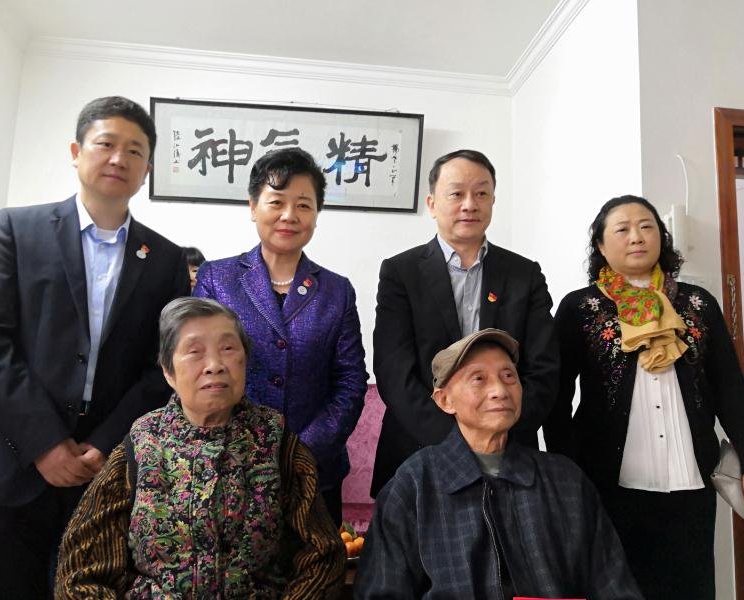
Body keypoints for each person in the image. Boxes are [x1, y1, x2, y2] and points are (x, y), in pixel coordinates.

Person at [0, 96, 189, 599]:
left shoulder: (165, 259)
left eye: (135, 151)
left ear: (146, 170)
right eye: (106, 144)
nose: (119, 158)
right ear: (76, 152)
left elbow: (159, 368)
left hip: (102, 471)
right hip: (11, 462)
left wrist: (105, 444)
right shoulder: (18, 228)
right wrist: (44, 442)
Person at [56, 297, 345, 598]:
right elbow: (80, 571)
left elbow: (322, 555)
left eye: (228, 348)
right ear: (168, 371)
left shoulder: (276, 441)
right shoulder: (141, 445)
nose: (215, 365)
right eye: (195, 352)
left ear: (245, 360)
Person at [544, 195, 744, 599]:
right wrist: (566, 472)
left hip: (690, 484)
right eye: (622, 229)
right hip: (609, 487)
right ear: (601, 245)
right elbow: (556, 400)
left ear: (661, 237)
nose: (637, 237)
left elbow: (730, 391)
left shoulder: (697, 303)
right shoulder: (580, 308)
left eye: (646, 226)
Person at [355, 328, 641, 599]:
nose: (500, 390)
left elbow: (614, 587)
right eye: (479, 378)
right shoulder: (414, 485)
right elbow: (381, 591)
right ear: (444, 400)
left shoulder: (566, 482)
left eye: (508, 376)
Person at [194, 147, 368, 525]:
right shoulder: (217, 279)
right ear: (253, 206)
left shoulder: (337, 291)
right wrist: (247, 453)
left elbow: (350, 381)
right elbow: (202, 372)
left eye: (304, 205)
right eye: (277, 202)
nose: (290, 215)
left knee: (314, 560)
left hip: (315, 473)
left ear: (317, 215)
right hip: (232, 468)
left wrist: (301, 452)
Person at [370, 149, 558, 496]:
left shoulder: (524, 274)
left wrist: (499, 433)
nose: (470, 204)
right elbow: (394, 371)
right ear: (432, 203)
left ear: (493, 201)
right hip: (419, 448)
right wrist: (457, 442)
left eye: (481, 193)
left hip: (510, 451)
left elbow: (544, 369)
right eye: (456, 193)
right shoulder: (401, 272)